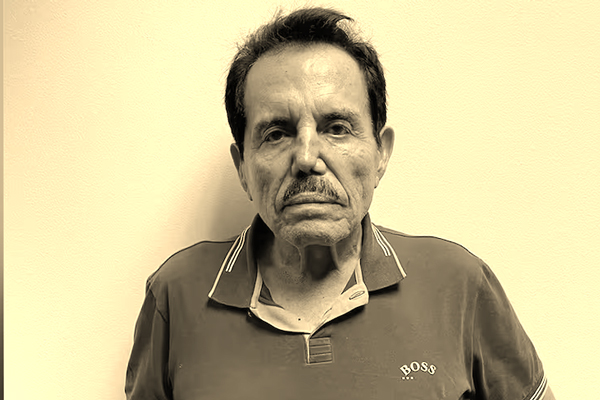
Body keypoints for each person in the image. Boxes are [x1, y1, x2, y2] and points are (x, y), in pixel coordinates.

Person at [125, 7, 555, 399]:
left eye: (336, 128)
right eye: (276, 133)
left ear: (381, 153)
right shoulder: (175, 295)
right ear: (243, 166)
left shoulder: (459, 284)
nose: (307, 158)